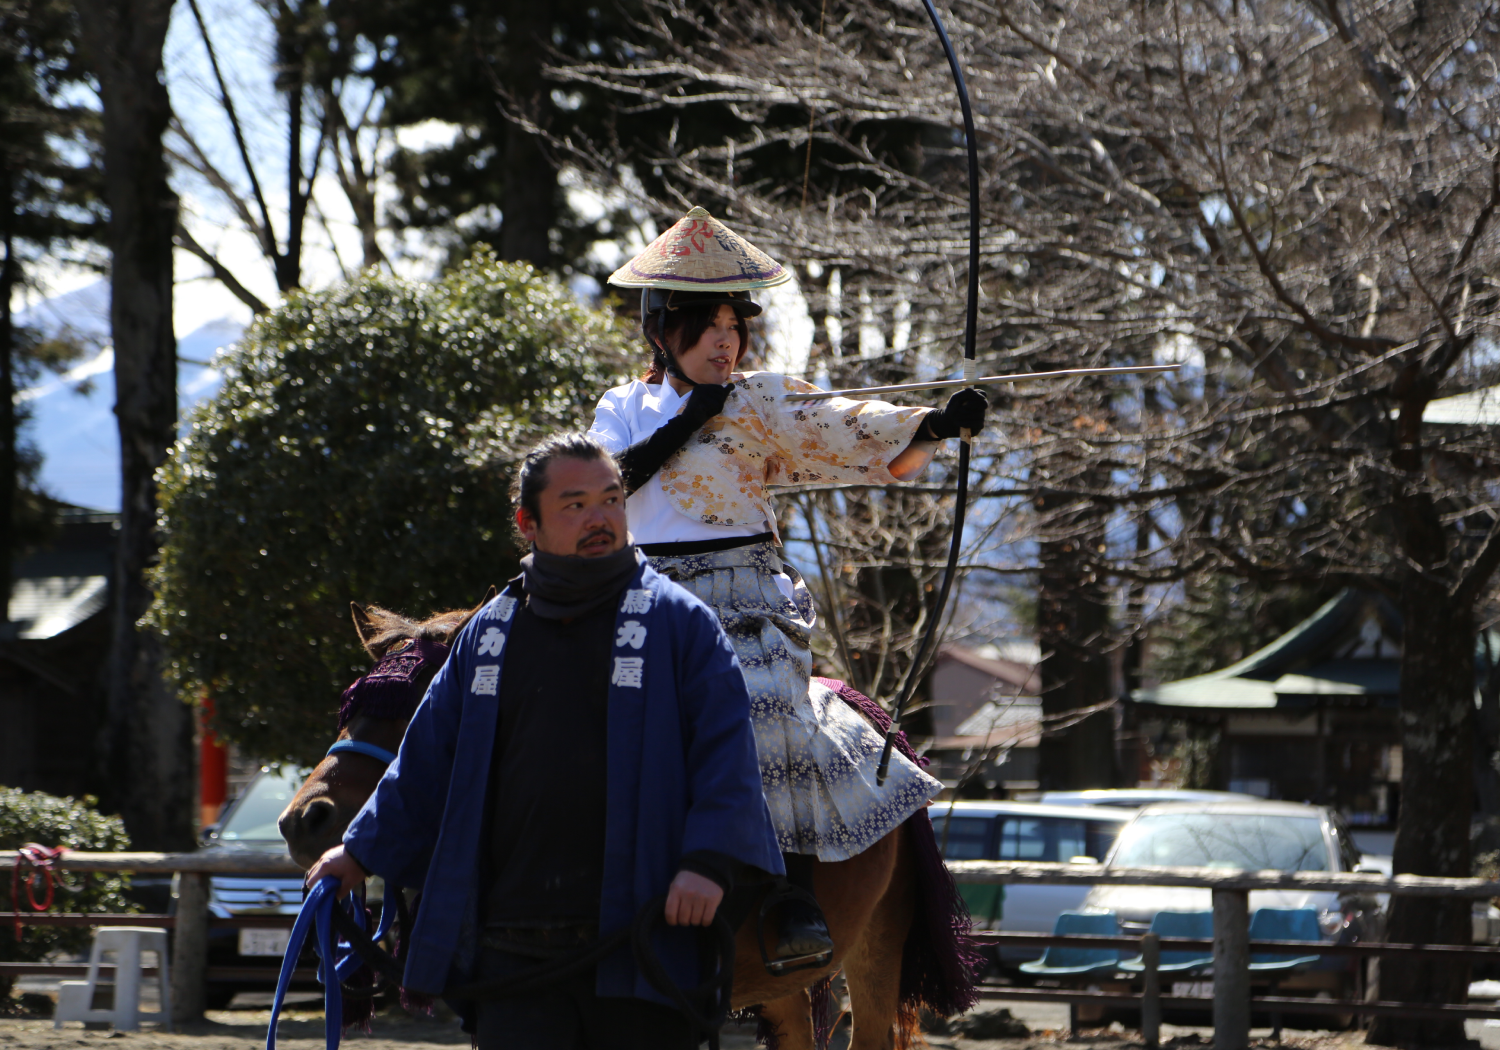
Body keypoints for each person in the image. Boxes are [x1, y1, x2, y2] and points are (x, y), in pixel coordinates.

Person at [588, 206, 988, 963]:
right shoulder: (622, 407)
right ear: (659, 331)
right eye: (705, 326)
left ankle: (784, 897)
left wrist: (937, 424)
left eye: (735, 326)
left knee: (764, 720)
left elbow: (856, 430)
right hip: (638, 601)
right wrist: (690, 420)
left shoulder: (763, 399)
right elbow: (610, 489)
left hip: (742, 605)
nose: (725, 340)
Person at [306, 433, 783, 1050]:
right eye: (575, 504)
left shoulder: (682, 623)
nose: (601, 518)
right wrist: (358, 852)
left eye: (611, 500)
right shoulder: (489, 633)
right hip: (510, 948)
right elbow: (425, 759)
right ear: (527, 522)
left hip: (641, 941)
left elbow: (726, 756)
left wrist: (707, 864)